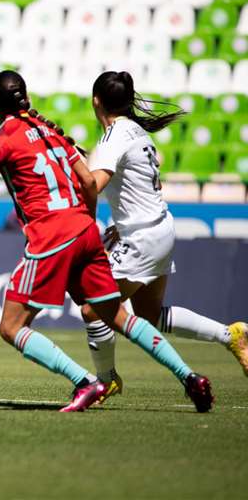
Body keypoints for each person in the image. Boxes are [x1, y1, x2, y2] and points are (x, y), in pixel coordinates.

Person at [0, 70, 213, 412]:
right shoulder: (52, 131)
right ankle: (190, 377)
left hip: (50, 237)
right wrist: (88, 223)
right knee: (118, 317)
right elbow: (87, 182)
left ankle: (86, 381)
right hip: (84, 229)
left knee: (11, 327)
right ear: (26, 98)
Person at [79, 70, 248, 400]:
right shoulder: (138, 132)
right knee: (149, 315)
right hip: (158, 228)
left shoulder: (113, 137)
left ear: (96, 101)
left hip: (140, 237)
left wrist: (72, 162)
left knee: (93, 309)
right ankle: (231, 334)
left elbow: (92, 187)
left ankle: (107, 378)